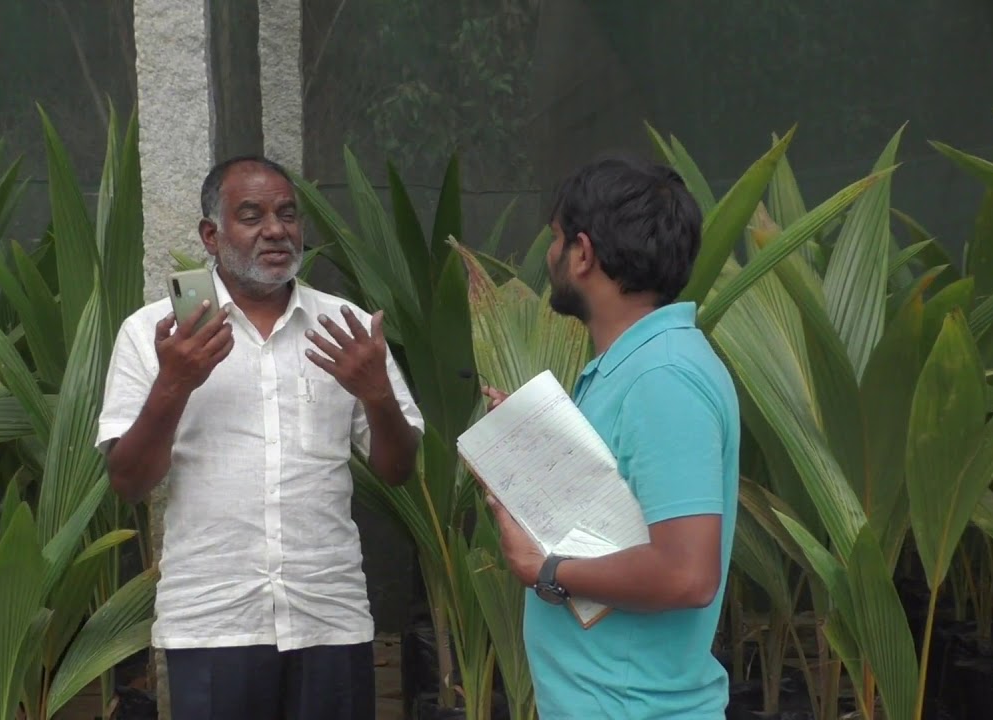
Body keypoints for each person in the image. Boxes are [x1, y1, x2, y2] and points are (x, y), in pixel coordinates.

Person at [96, 155, 424, 719]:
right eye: (251, 215)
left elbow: (397, 470)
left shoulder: (346, 328)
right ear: (211, 234)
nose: (276, 228)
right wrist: (175, 382)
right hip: (214, 619)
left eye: (288, 214)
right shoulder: (155, 335)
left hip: (328, 614)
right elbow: (128, 480)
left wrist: (377, 394)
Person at [482, 156, 740, 719]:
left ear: (583, 252)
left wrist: (546, 572)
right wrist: (535, 453)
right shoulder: (635, 366)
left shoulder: (662, 377)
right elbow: (623, 514)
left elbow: (685, 574)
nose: (550, 257)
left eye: (555, 240)